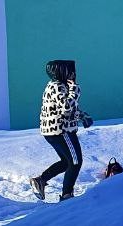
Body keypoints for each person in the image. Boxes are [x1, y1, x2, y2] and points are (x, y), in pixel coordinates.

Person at [31, 59, 91, 202]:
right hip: (61, 131)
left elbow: (62, 109)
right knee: (75, 162)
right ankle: (67, 195)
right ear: (60, 72)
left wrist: (82, 116)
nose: (72, 74)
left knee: (66, 162)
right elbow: (66, 109)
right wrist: (75, 90)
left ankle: (41, 180)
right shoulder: (58, 87)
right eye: (69, 70)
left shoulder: (56, 85)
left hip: (54, 131)